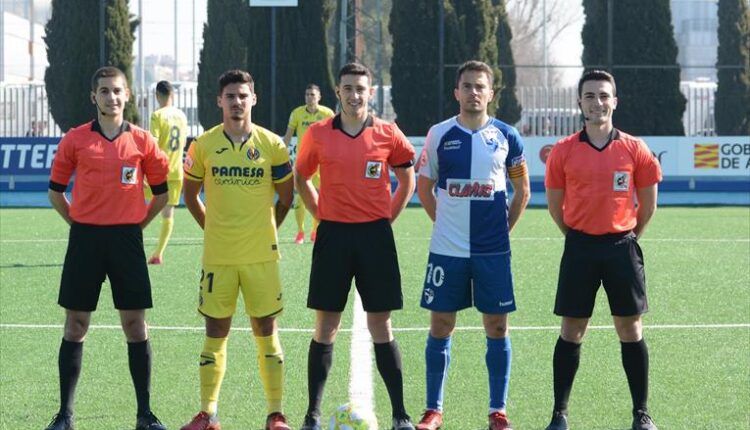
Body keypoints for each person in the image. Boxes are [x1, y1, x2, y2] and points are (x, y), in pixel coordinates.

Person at [45, 66, 169, 430]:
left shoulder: (143, 141)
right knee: (76, 324)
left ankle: (145, 414)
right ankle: (65, 415)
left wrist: (136, 226)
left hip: (126, 240)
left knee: (134, 325)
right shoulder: (75, 139)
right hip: (85, 240)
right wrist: (79, 224)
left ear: (127, 95)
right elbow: (55, 192)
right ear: (93, 97)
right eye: (104, 91)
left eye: (117, 91)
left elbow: (162, 194)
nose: (111, 97)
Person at [294, 62, 416, 430]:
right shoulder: (318, 134)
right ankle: (312, 414)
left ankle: (400, 414)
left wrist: (386, 219)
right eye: (348, 88)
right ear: (338, 91)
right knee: (326, 325)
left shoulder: (388, 133)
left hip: (375, 237)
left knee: (381, 324)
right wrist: (320, 213)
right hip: (333, 236)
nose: (354, 94)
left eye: (361, 88)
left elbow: (406, 178)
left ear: (371, 93)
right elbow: (301, 176)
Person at [414, 60, 530, 430]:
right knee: (441, 324)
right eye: (467, 86)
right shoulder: (438, 134)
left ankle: (498, 411)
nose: (474, 92)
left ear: (491, 93)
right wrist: (445, 223)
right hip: (447, 249)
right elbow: (423, 187)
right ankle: (434, 410)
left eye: (481, 86)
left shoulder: (507, 136)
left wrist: (502, 230)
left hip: (491, 250)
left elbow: (522, 190)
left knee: (497, 326)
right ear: (457, 92)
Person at [543, 70, 662, 430]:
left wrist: (627, 235)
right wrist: (578, 236)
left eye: (604, 95)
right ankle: (559, 414)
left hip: (621, 247)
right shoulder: (564, 151)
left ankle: (641, 413)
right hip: (579, 247)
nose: (598, 102)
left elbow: (649, 204)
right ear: (579, 102)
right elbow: (555, 206)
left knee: (630, 328)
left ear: (615, 101)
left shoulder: (634, 149)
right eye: (590, 96)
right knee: (572, 329)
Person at [180, 69, 294, 430]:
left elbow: (287, 197)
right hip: (219, 258)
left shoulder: (273, 144)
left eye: (243, 96)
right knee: (215, 332)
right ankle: (207, 413)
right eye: (230, 96)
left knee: (267, 333)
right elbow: (190, 196)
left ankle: (275, 413)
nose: (237, 102)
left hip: (261, 256)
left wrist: (265, 229)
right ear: (219, 101)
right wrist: (213, 229)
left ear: (253, 99)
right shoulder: (203, 145)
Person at [282, 83, 335, 244]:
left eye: (312, 94)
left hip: (322, 163)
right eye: (307, 94)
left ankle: (314, 231)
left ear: (319, 97)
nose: (309, 97)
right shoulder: (297, 113)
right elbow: (288, 136)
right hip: (303, 163)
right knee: (299, 199)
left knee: (320, 198)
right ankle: (300, 232)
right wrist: (281, 154)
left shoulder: (327, 113)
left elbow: (335, 136)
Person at [145, 80, 188, 265]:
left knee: (135, 206)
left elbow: (152, 144)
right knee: (168, 213)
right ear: (173, 95)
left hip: (157, 173)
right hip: (176, 171)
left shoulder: (157, 115)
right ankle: (158, 254)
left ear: (157, 96)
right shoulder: (182, 116)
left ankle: (127, 246)